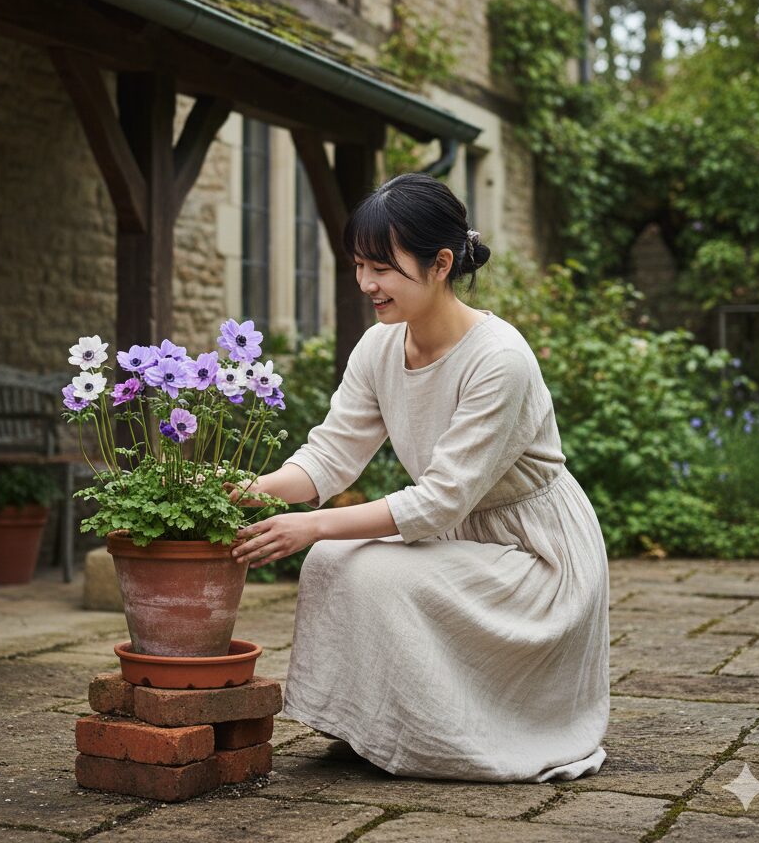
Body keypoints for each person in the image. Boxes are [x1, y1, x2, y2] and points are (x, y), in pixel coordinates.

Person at [223, 172, 610, 783]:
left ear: (441, 264)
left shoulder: (499, 358)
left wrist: (312, 525)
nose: (366, 284)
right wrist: (247, 489)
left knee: (359, 563)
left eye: (383, 267)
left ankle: (446, 735)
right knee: (330, 561)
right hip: (461, 538)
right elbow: (329, 456)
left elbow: (438, 502)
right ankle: (368, 726)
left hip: (536, 555)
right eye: (359, 265)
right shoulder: (380, 347)